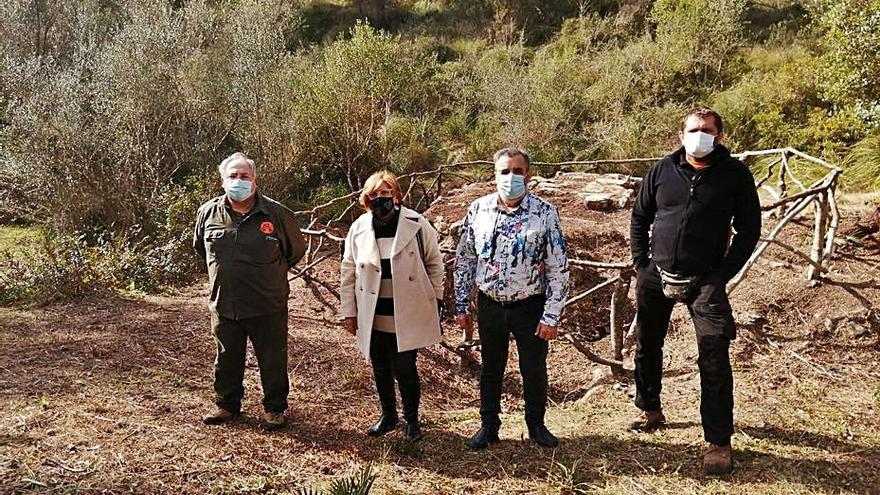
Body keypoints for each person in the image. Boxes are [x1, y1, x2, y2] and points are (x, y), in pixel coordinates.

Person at [629, 107, 761, 475]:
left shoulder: (734, 175)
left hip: (706, 278)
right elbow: (640, 217)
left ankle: (718, 441)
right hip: (656, 273)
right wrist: (641, 264)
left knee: (714, 352)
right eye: (693, 129)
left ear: (718, 136)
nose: (699, 135)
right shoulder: (662, 170)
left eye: (706, 130)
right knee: (647, 342)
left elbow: (749, 229)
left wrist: (723, 273)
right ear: (680, 134)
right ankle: (649, 408)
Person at [454, 147, 570, 449]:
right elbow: (465, 259)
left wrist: (551, 315)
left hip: (530, 305)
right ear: (495, 175)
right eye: (505, 171)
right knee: (491, 368)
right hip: (490, 304)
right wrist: (462, 303)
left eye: (517, 171)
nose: (511, 177)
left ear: (527, 175)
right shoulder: (478, 210)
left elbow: (558, 267)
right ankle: (489, 426)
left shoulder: (545, 213)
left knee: (533, 369)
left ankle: (536, 425)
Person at [193, 152, 306, 430]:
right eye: (233, 176)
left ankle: (275, 409)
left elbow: (295, 252)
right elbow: (200, 248)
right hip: (225, 303)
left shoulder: (277, 214)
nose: (239, 181)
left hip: (267, 303)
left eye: (244, 176)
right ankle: (226, 405)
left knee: (272, 357)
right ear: (222, 180)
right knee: (227, 356)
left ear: (254, 181)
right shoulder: (208, 213)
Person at [340, 170, 444, 442]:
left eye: (386, 193)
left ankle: (412, 420)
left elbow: (435, 264)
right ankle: (388, 416)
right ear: (367, 199)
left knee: (405, 367)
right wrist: (348, 311)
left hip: (407, 312)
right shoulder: (359, 228)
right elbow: (348, 269)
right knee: (380, 367)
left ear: (397, 196)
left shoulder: (417, 224)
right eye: (375, 194)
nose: (381, 198)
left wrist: (435, 299)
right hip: (373, 313)